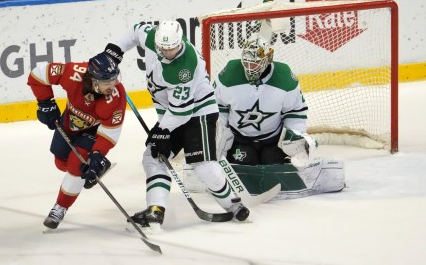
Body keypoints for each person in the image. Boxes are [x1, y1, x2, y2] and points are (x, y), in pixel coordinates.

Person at [103, 20, 249, 229]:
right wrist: (116, 50)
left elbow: (182, 112)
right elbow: (136, 31)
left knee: (203, 165)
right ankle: (155, 211)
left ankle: (233, 204)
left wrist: (162, 132)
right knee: (153, 158)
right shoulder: (155, 39)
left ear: (179, 42)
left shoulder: (184, 69)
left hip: (198, 112)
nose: (167, 52)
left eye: (171, 48)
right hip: (172, 114)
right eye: (163, 48)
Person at [27, 52, 127, 229]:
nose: (112, 85)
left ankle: (60, 207)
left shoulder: (116, 98)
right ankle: (94, 169)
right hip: (69, 122)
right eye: (106, 82)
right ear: (93, 80)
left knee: (77, 164)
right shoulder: (74, 73)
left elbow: (110, 133)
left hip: (93, 131)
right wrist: (45, 103)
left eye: (114, 79)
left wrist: (97, 155)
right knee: (60, 162)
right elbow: (38, 74)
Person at [214, 33, 311, 166]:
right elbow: (218, 107)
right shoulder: (229, 75)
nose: (250, 68)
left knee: (273, 163)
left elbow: (295, 112)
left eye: (255, 64)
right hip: (240, 140)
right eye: (246, 63)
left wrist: (295, 141)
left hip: (273, 141)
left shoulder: (284, 78)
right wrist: (217, 138)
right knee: (246, 163)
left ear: (268, 59)